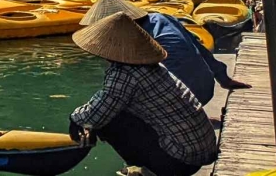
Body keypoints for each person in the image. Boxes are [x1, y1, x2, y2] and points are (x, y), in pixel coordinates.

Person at [68, 12, 218, 176]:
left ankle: (145, 170)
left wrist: (75, 119)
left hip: (181, 160)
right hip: (202, 150)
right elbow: (105, 99)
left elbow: (97, 113)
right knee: (109, 113)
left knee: (107, 121)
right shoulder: (150, 65)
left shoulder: (125, 73)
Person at [80, 0, 250, 104]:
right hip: (206, 89)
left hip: (185, 101)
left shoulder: (135, 41)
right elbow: (200, 48)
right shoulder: (162, 18)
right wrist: (223, 78)